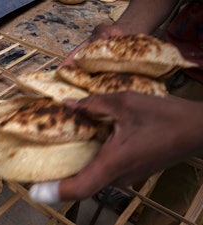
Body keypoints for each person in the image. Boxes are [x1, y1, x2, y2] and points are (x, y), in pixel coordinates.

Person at [29, 0, 203, 223]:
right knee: (118, 156)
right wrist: (127, 28)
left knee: (174, 198)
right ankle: (128, 199)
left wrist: (195, 126)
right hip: (163, 56)